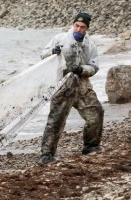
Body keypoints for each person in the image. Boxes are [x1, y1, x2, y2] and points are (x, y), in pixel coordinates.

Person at [39, 13, 104, 164]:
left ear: (87, 28)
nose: (79, 29)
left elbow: (94, 66)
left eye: (82, 27)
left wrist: (82, 69)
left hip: (82, 84)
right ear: (73, 24)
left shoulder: (91, 45)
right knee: (56, 120)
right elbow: (43, 55)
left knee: (96, 112)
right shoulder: (60, 38)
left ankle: (91, 145)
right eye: (77, 25)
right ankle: (47, 154)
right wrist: (52, 52)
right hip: (62, 84)